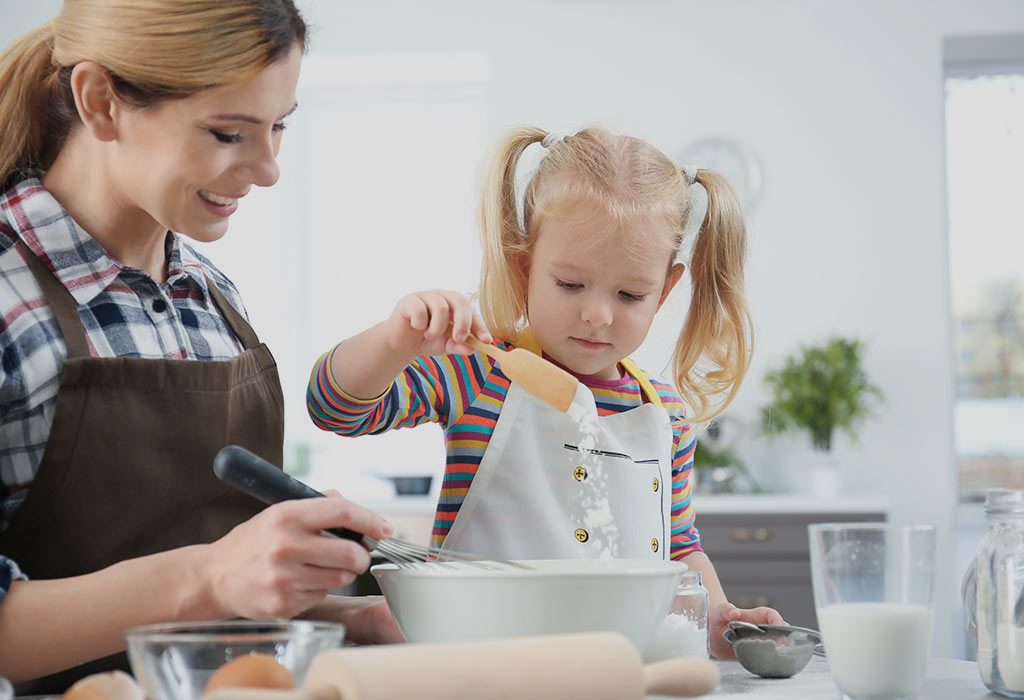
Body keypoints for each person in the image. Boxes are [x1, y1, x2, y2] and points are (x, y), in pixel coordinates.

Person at [0, 1, 401, 691]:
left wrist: (354, 618)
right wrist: (212, 575)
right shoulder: (10, 304)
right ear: (100, 102)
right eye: (226, 132)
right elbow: (206, 578)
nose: (269, 168)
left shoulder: (213, 298)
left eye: (278, 126)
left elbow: (220, 598)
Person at [307, 126, 784, 659]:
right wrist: (394, 342)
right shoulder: (477, 375)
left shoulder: (664, 414)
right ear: (524, 265)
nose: (597, 314)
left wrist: (717, 620)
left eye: (630, 294)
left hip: (617, 672)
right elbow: (334, 408)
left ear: (665, 291)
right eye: (570, 284)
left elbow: (682, 550)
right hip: (480, 668)